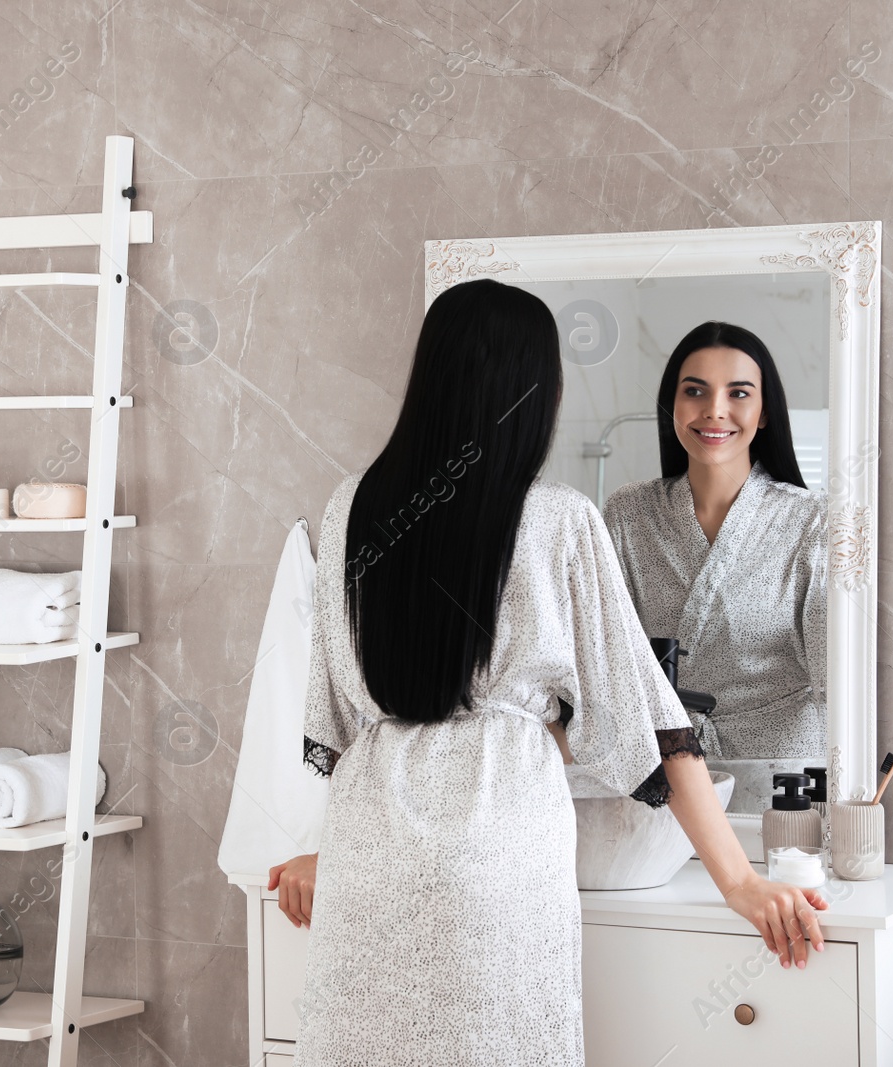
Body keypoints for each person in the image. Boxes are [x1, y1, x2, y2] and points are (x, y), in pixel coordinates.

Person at [269, 281, 826, 1067]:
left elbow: (339, 710)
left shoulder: (349, 505)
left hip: (370, 857)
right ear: (534, 389)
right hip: (498, 860)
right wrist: (738, 883)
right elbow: (648, 719)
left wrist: (327, 847)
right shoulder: (558, 517)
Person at [603, 321, 827, 761]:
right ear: (672, 405)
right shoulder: (627, 514)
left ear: (764, 412)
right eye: (695, 391)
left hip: (781, 772)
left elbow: (836, 672)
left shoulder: (812, 521)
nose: (714, 410)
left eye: (738, 393)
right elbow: (607, 658)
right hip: (664, 764)